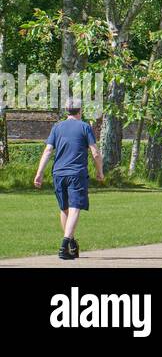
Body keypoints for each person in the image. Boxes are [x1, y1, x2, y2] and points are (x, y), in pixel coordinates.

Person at [33, 98, 104, 261]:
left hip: (58, 173)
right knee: (75, 207)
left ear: (66, 110)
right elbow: (95, 153)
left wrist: (39, 173)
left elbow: (48, 151)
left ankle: (71, 243)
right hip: (76, 173)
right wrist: (100, 171)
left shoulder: (57, 127)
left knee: (64, 208)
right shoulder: (85, 126)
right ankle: (64, 245)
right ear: (80, 110)